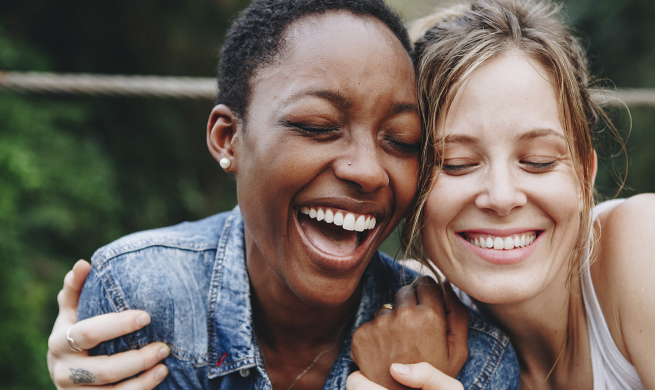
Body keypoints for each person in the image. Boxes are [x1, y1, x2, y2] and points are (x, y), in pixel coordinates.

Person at [45, 1, 520, 389]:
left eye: (400, 140)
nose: (369, 171)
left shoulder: (469, 358)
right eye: (317, 126)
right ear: (228, 138)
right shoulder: (142, 300)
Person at [345, 0, 655, 389]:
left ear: (585, 175)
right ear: (415, 186)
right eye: (456, 163)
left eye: (538, 161)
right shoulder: (420, 317)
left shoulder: (654, 241)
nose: (502, 195)